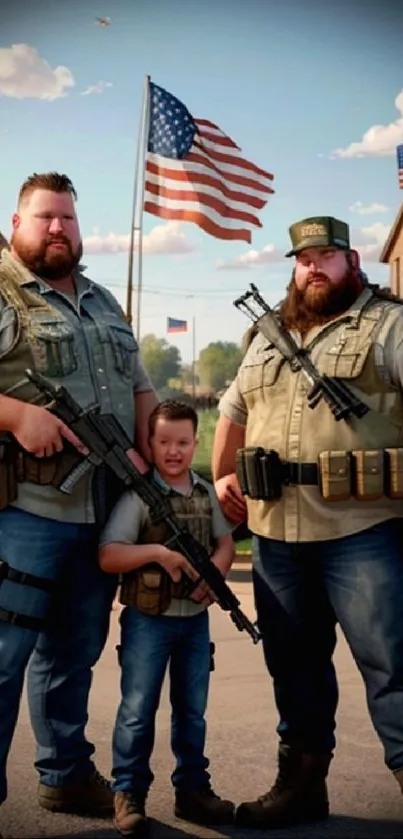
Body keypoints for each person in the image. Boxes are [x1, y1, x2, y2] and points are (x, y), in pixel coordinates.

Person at [212, 215, 403, 830]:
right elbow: (233, 411)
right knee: (293, 669)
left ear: (352, 261)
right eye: (303, 259)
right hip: (276, 534)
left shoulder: (389, 325)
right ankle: (301, 787)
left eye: (326, 256)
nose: (314, 267)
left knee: (393, 668)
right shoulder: (265, 336)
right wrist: (220, 478)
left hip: (364, 530)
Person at [0, 172, 157, 822]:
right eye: (45, 217)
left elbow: (140, 385)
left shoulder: (102, 302)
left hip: (100, 509)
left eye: (67, 216)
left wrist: (153, 457)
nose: (58, 228)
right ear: (16, 225)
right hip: (25, 512)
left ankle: (64, 774)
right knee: (3, 659)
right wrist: (14, 416)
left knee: (73, 652)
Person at [99, 399, 235, 836]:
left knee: (192, 712)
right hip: (148, 621)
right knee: (138, 709)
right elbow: (109, 555)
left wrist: (214, 578)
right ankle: (128, 792)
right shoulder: (141, 498)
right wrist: (160, 553)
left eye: (182, 442)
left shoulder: (204, 492)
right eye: (163, 442)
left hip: (194, 620)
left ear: (196, 443)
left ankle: (192, 789)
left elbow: (225, 544)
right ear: (150, 444)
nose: (173, 451)